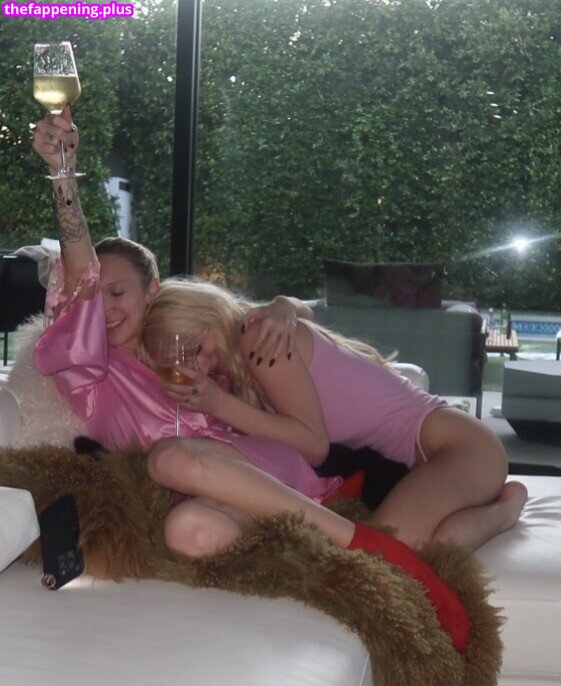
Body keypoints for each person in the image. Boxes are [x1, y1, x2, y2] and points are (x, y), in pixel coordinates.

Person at [32, 108, 471, 653]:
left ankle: (370, 553)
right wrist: (63, 177)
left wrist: (285, 307)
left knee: (169, 458)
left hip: (266, 471)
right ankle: (322, 562)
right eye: (95, 298)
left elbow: (254, 331)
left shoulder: (181, 343)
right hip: (226, 498)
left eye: (118, 293)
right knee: (188, 531)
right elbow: (82, 280)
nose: (104, 308)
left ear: (152, 291)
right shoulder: (90, 373)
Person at [141, 278, 528, 555]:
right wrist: (286, 304)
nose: (198, 365)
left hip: (460, 447)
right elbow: (302, 312)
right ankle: (502, 506)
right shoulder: (253, 341)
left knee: (385, 553)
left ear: (207, 313)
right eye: (181, 358)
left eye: (194, 346)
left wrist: (217, 404)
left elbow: (313, 446)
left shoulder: (257, 339)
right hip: (423, 463)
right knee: (432, 548)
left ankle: (504, 511)